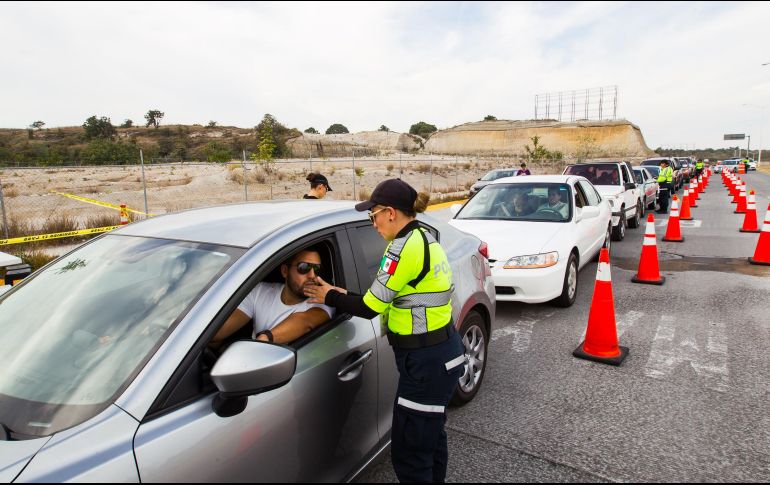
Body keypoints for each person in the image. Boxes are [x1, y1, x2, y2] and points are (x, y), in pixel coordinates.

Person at [303, 178, 464, 483]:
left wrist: (330, 297)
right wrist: (341, 291)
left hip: (426, 364)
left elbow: (370, 307)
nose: (372, 223)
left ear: (390, 212)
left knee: (410, 451)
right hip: (439, 355)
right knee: (429, 439)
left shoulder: (402, 248)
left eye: (373, 215)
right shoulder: (423, 235)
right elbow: (391, 293)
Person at [210, 246, 334, 346]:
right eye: (304, 267)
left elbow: (306, 321)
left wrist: (265, 338)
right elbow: (219, 332)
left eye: (317, 269)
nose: (312, 275)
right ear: (285, 271)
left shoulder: (324, 300)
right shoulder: (260, 291)